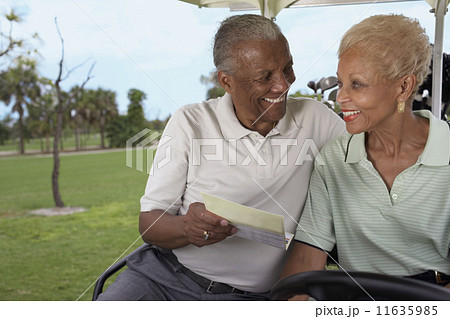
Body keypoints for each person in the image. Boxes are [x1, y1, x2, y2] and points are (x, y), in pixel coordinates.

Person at [97, 14, 345, 301]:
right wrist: (186, 227)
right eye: (265, 76)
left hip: (253, 297)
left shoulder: (317, 120)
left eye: (287, 69)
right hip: (165, 279)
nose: (282, 85)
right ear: (226, 81)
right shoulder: (189, 122)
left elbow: (373, 156)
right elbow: (150, 224)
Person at [281, 14, 450, 300]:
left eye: (357, 85)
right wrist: (294, 297)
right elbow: (306, 260)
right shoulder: (333, 159)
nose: (340, 97)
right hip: (357, 300)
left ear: (403, 87)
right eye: (341, 83)